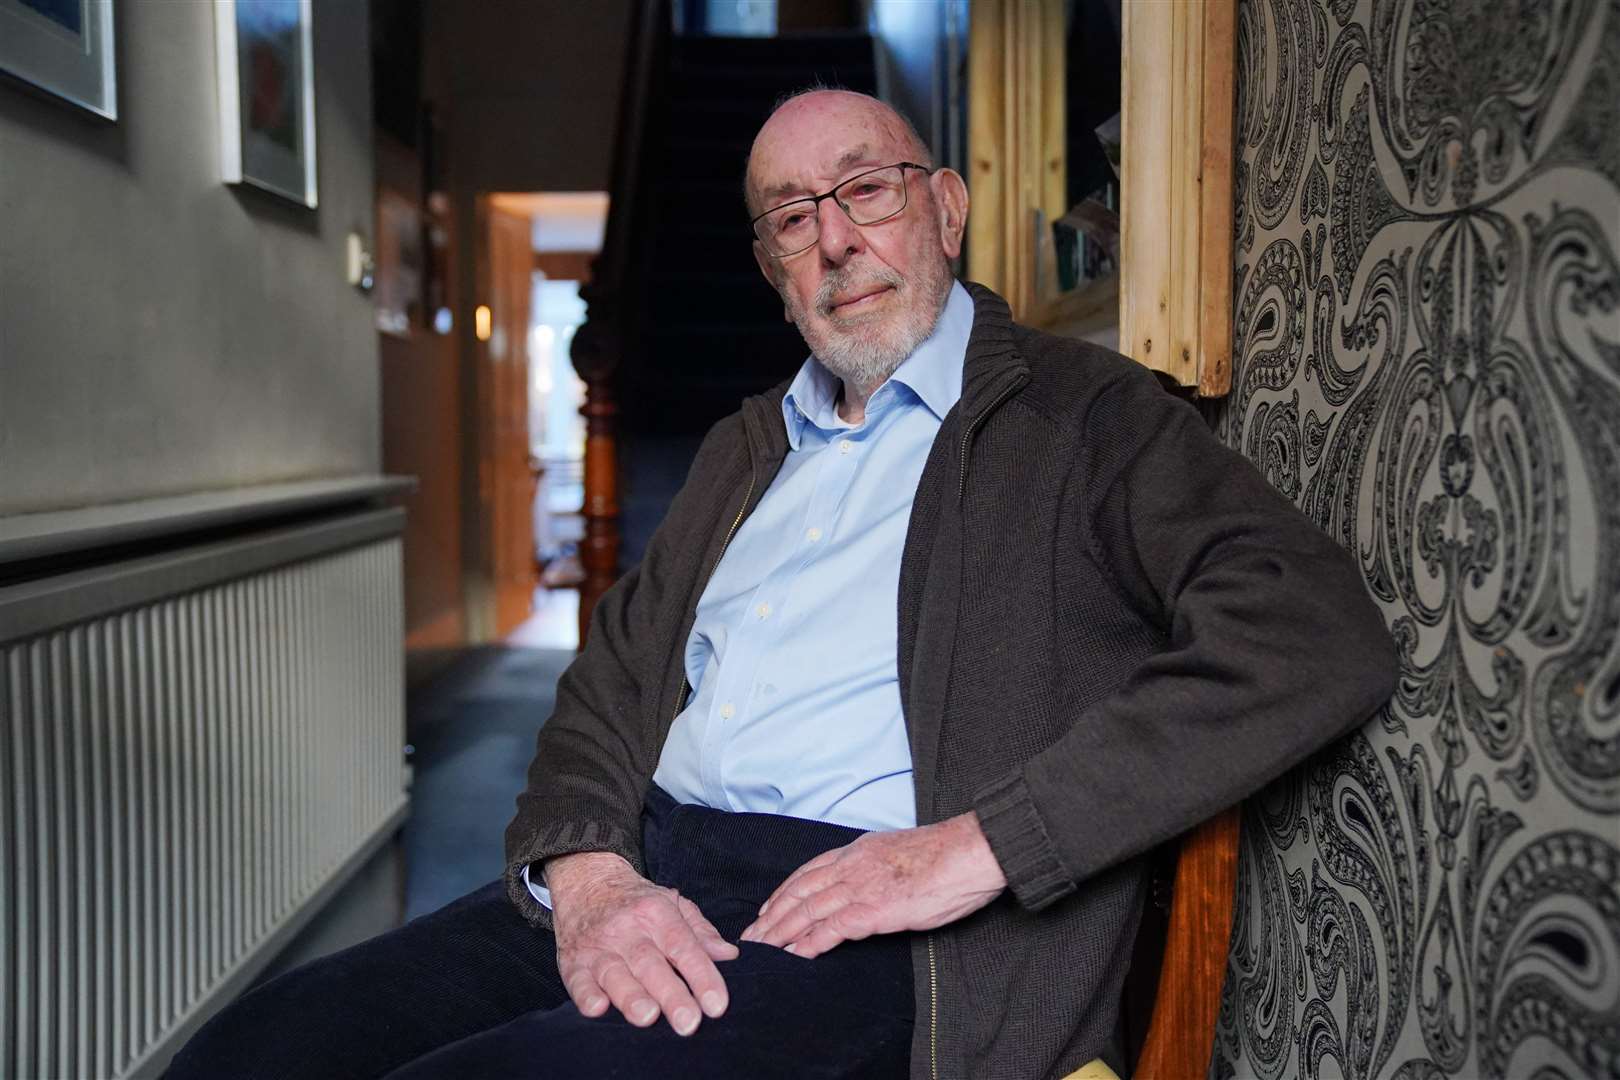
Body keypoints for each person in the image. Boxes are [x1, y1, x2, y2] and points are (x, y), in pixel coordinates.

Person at [170, 89, 1396, 1080]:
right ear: (770, 265)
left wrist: (983, 845)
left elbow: (1312, 628)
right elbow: (603, 693)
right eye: (792, 218)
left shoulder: (1086, 418)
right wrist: (590, 878)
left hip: (870, 925)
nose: (837, 240)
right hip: (644, 870)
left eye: (867, 188)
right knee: (257, 1052)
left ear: (948, 208)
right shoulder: (743, 448)